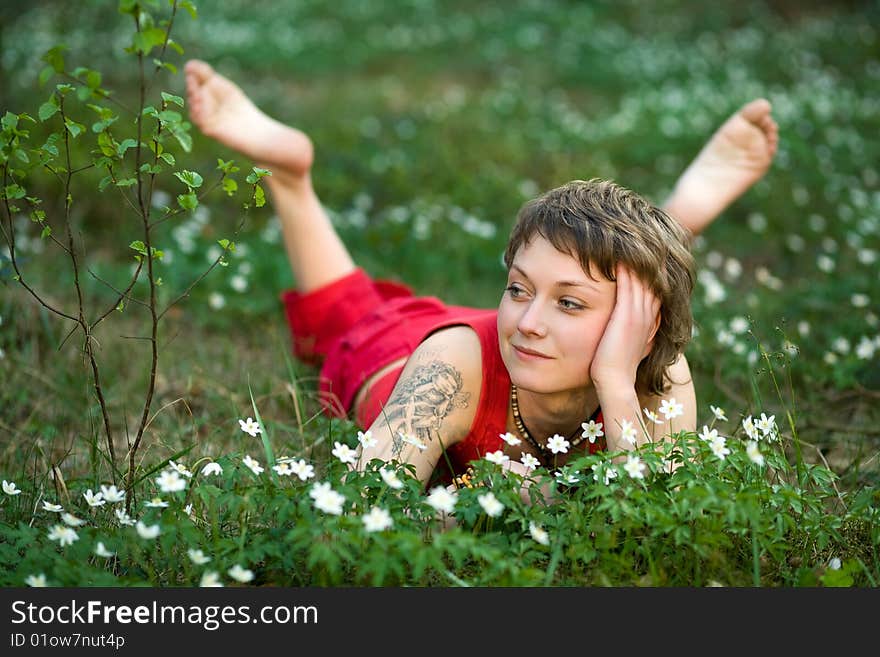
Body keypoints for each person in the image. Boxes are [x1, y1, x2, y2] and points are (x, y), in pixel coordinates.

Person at [184, 59, 778, 492]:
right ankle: (292, 178)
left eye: (569, 304)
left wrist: (618, 385)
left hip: (557, 341)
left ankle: (671, 228)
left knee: (618, 267)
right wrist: (511, 506)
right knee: (354, 314)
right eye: (517, 288)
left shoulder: (658, 371)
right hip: (406, 350)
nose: (527, 323)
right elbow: (364, 509)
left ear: (641, 326)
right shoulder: (453, 368)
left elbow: (662, 515)